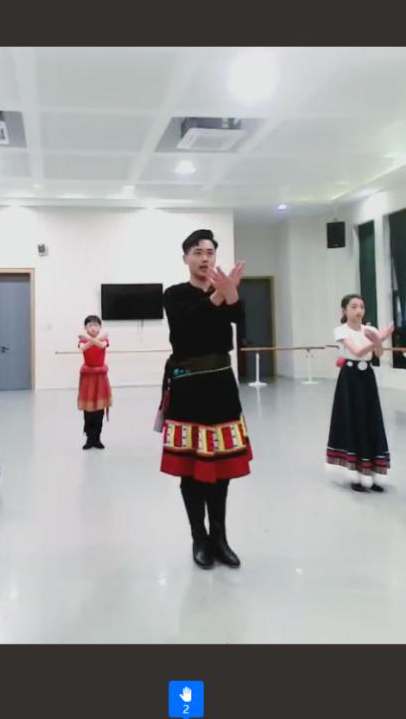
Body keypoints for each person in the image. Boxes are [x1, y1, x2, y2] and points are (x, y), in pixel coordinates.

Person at [158, 229, 250, 570]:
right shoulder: (174, 295)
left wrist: (232, 295)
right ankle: (199, 537)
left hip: (222, 387)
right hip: (187, 388)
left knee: (222, 468)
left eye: (210, 252)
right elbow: (185, 327)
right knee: (191, 470)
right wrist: (219, 297)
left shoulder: (223, 291)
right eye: (197, 252)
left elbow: (241, 325)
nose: (205, 258)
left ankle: (220, 538)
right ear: (185, 258)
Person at [326, 294, 394, 492]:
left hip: (367, 378)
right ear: (344, 310)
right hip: (350, 378)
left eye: (362, 307)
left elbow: (378, 354)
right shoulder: (341, 330)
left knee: (371, 419)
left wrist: (378, 341)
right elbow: (356, 352)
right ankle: (355, 472)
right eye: (354, 306)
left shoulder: (370, 330)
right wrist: (379, 338)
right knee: (353, 419)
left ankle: (372, 470)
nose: (359, 311)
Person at [77, 314, 112, 450]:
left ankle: (97, 438)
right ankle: (89, 438)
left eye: (96, 325)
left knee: (99, 410)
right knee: (88, 411)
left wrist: (89, 338)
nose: (93, 328)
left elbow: (102, 345)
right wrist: (91, 339)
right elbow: (83, 348)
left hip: (100, 379)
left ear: (100, 327)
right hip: (88, 379)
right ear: (86, 328)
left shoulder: (103, 340)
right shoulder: (83, 341)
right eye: (90, 325)